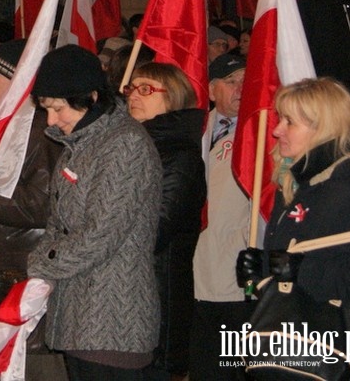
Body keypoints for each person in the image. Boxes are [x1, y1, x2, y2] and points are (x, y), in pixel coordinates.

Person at [26, 44, 162, 381]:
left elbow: (100, 234)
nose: (52, 120)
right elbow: (58, 222)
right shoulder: (82, 142)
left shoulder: (123, 144)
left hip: (112, 321)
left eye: (58, 108)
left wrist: (39, 263)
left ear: (90, 97)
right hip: (80, 316)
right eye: (45, 109)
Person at [236, 77, 350, 380]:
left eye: (290, 122)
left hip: (337, 360)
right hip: (292, 353)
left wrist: (301, 270)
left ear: (323, 128)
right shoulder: (296, 184)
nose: (276, 130)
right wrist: (260, 275)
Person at [0, 39, 63, 378]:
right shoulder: (7, 126)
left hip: (20, 284)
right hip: (2, 273)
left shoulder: (35, 130)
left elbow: (40, 204)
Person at [124, 62, 206, 381]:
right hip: (127, 296)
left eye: (147, 89)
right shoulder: (132, 145)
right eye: (131, 88)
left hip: (157, 296)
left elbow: (153, 231)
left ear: (172, 98)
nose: (134, 95)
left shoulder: (180, 156)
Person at [189, 53, 256, 380]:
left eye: (247, 80)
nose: (241, 88)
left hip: (235, 273)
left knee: (233, 369)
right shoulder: (194, 129)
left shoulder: (260, 135)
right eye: (232, 82)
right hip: (193, 269)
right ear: (212, 90)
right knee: (202, 365)